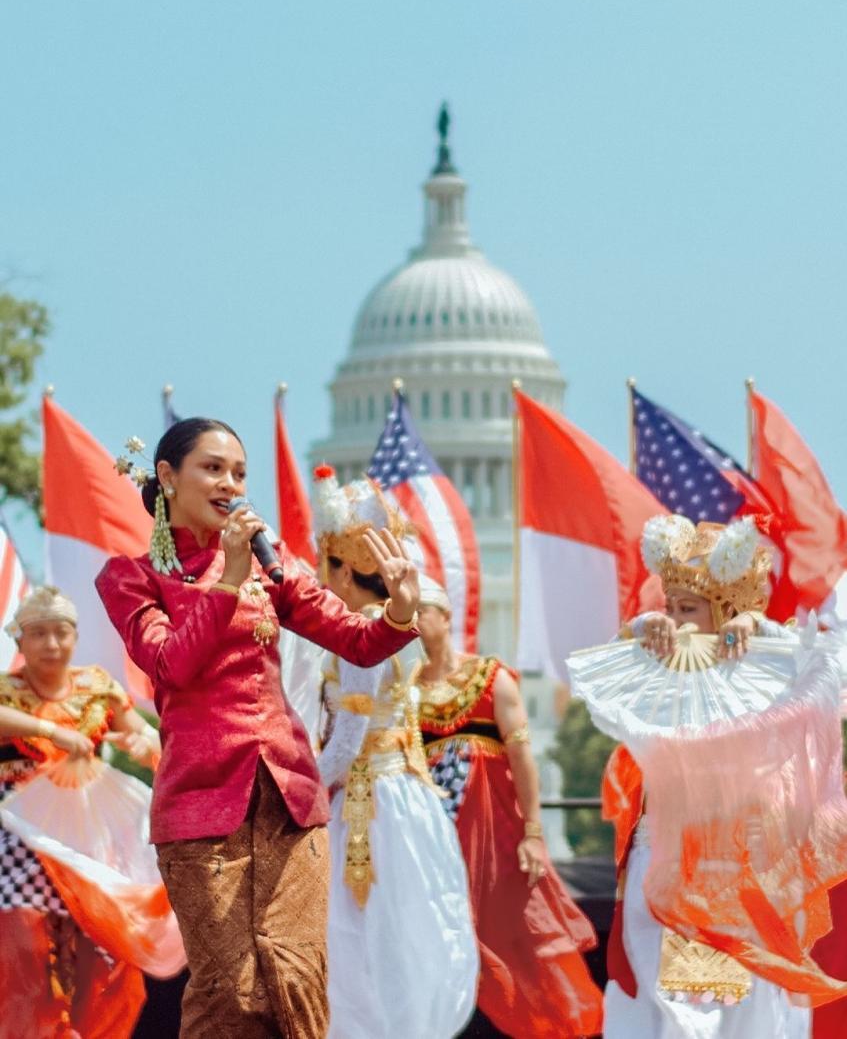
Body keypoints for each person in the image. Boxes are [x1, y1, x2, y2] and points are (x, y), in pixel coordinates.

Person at [96, 418, 420, 1039]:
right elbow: (170, 664)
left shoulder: (273, 567)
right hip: (201, 807)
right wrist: (225, 580)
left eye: (240, 473)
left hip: (289, 801)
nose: (231, 484)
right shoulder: (131, 577)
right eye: (213, 468)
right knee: (232, 992)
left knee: (297, 980)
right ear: (167, 477)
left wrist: (400, 609)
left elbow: (356, 641)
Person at [566, 514, 847, 1039]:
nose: (675, 619)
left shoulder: (764, 670)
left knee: (748, 1000)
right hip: (666, 853)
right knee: (667, 999)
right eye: (670, 608)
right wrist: (636, 629)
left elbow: (831, 671)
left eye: (688, 608)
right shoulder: (655, 668)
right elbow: (601, 674)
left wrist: (760, 629)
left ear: (726, 610)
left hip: (741, 859)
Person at [312, 466, 479, 1039]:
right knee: (400, 933)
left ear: (343, 568)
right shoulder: (390, 627)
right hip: (401, 799)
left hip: (367, 805)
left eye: (325, 561)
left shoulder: (364, 631)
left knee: (359, 938)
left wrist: (293, 786)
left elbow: (346, 745)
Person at [413, 577, 604, 1039]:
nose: (413, 622)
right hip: (435, 845)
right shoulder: (407, 692)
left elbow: (522, 757)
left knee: (523, 940)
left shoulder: (490, 677)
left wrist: (535, 833)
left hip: (496, 840)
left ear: (445, 616)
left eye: (421, 611)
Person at [0, 585, 182, 1039]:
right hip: (20, 842)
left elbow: (143, 733)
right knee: (25, 950)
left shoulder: (96, 685)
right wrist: (49, 731)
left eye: (60, 633)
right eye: (38, 634)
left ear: (75, 637)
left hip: (89, 840)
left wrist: (143, 741)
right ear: (19, 642)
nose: (52, 644)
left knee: (107, 956)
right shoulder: (7, 691)